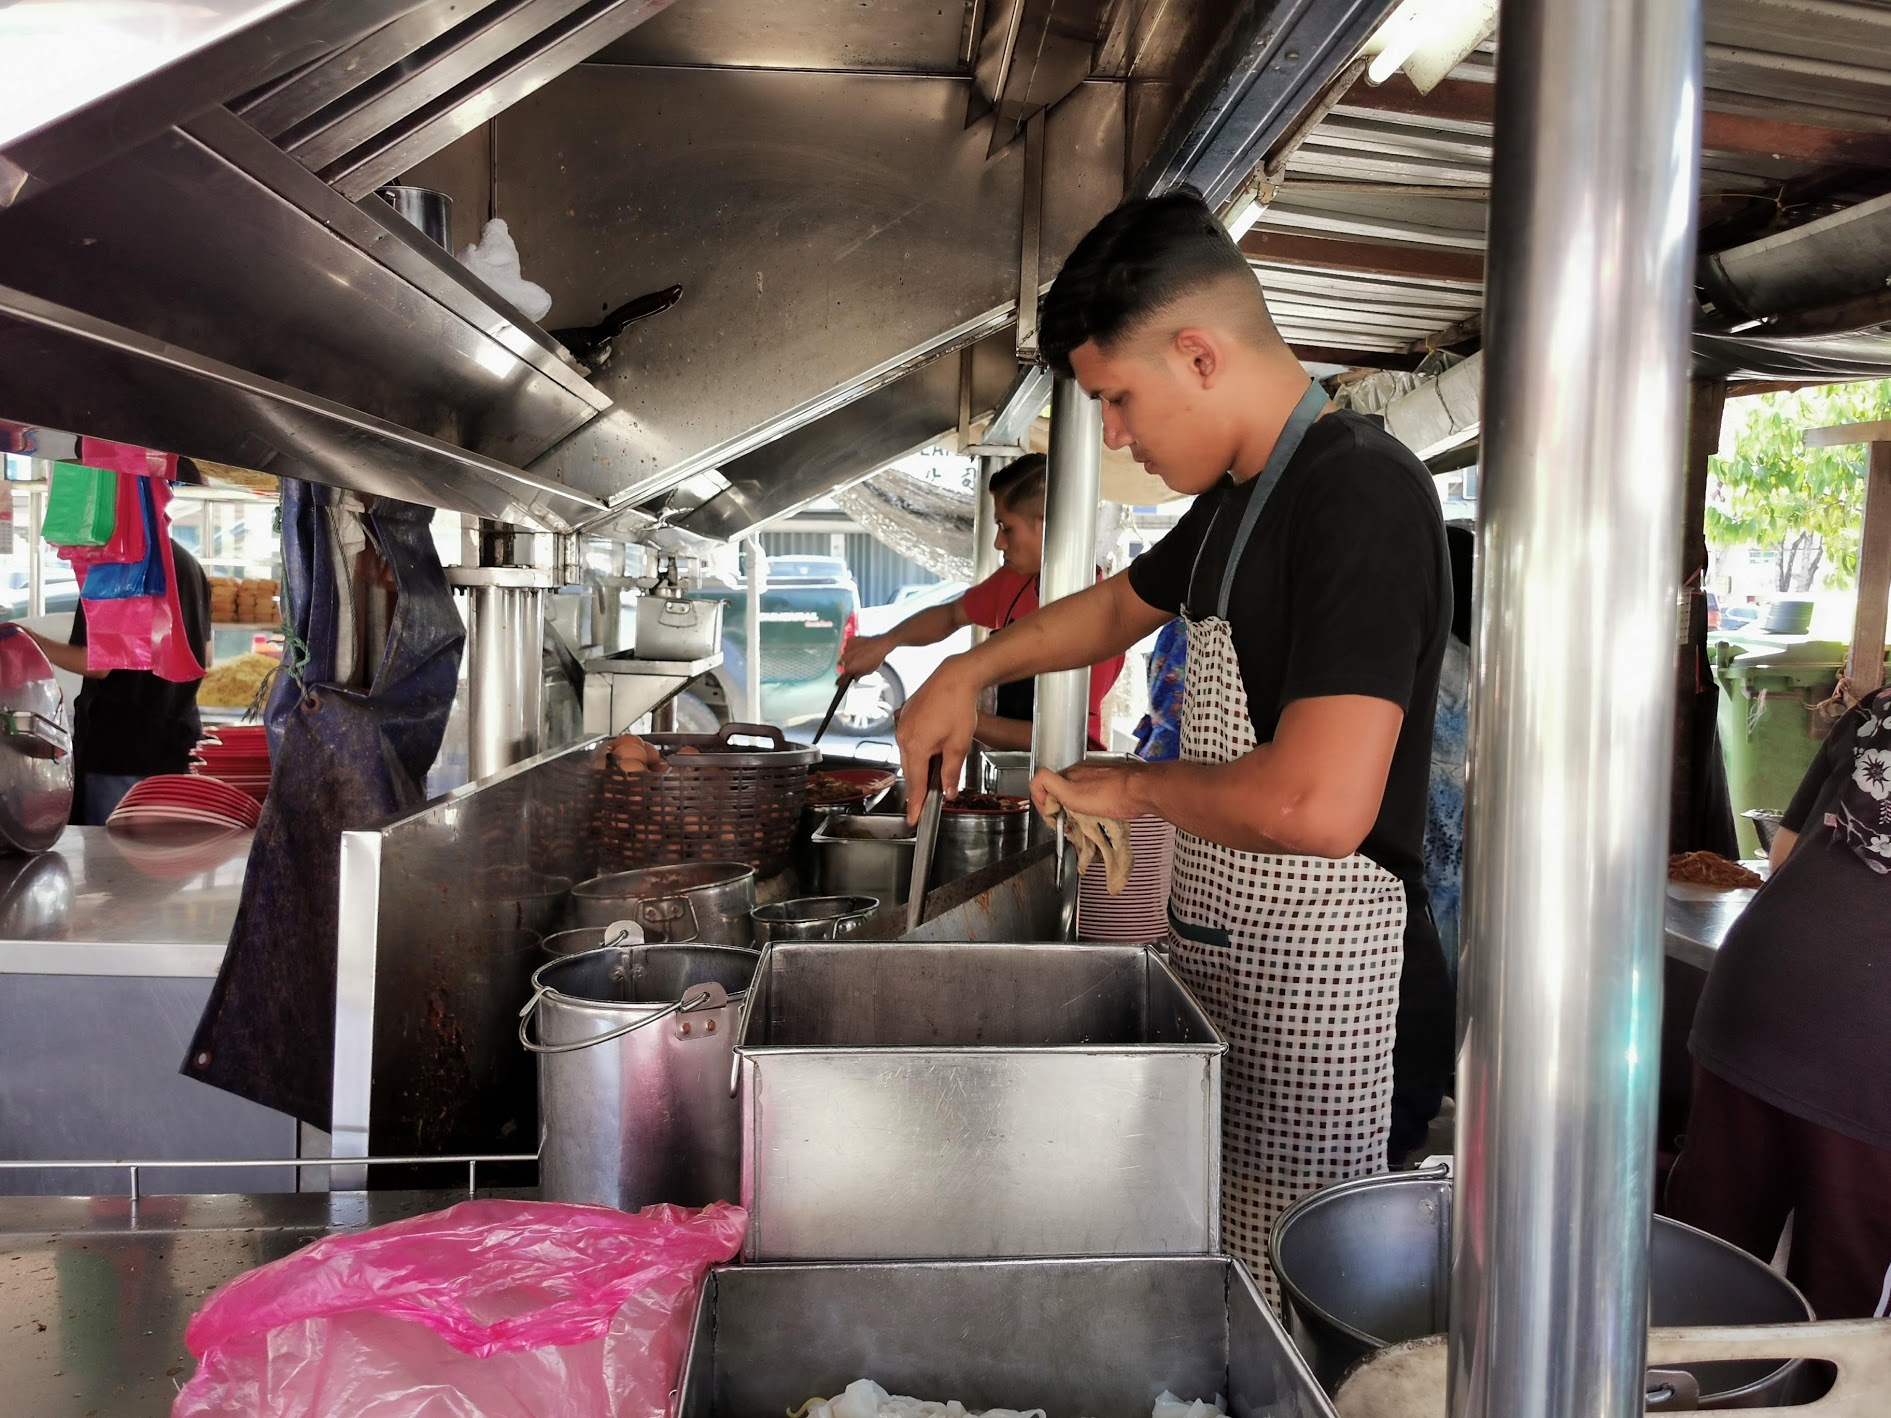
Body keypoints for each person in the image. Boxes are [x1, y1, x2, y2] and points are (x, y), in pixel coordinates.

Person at [894, 190, 1454, 1281]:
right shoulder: (1246, 493)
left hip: (1341, 996)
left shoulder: (1357, 494)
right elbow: (1114, 609)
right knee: (1228, 1286)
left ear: (1198, 355)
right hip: (1244, 964)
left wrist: (1135, 787)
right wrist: (967, 667)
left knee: (1299, 1337)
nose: (1114, 436)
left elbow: (1316, 803)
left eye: (1116, 399)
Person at [1667, 683, 1891, 1319]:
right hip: (1874, 1048)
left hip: (1760, 993)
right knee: (1837, 1328)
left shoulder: (1883, 704)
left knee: (1701, 1280)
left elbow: (1786, 853)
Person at [838, 453, 1124, 750]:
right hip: (1007, 774)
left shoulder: (1095, 611)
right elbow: (951, 615)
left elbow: (1069, 740)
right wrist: (885, 642)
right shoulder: (1014, 579)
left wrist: (954, 716)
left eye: (1006, 527)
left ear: (1045, 525)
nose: (999, 543)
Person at [20, 535, 211, 825]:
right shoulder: (187, 562)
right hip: (178, 748)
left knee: (110, 863)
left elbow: (98, 664)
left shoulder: (117, 565)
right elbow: (206, 656)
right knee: (164, 863)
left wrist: (26, 639)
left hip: (121, 751)